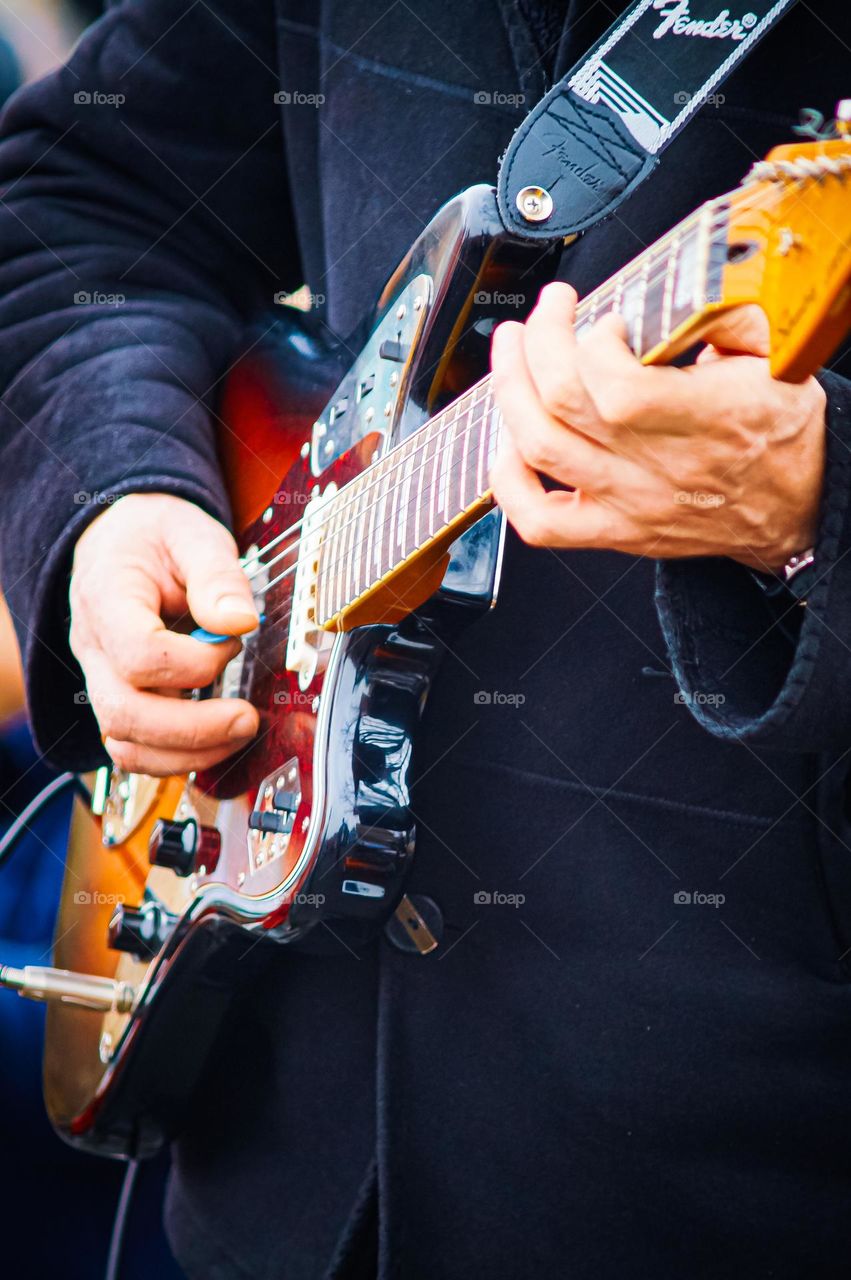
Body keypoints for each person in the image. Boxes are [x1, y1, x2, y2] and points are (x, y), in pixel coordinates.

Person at [1, 2, 850, 1277]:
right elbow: (85, 199)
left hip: (732, 1162)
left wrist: (812, 509)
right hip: (280, 1146)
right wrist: (117, 494)